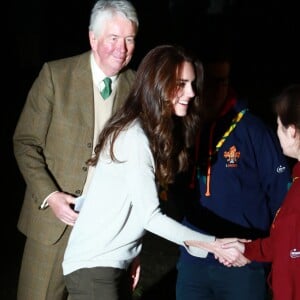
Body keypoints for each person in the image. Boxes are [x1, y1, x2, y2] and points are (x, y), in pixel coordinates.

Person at [62, 44, 249, 300]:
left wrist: (132, 252)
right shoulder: (135, 136)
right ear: (158, 84)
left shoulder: (145, 132)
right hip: (95, 267)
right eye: (182, 84)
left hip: (109, 264)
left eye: (192, 84)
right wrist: (215, 246)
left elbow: (123, 201)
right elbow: (150, 216)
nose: (192, 92)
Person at [13, 1, 140, 299]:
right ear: (93, 38)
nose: (121, 48)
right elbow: (25, 142)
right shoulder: (56, 76)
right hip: (53, 227)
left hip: (108, 235)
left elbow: (138, 170)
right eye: (113, 38)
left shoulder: (137, 88)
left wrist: (134, 247)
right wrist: (50, 196)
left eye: (129, 39)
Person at [174, 58, 291, 300]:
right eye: (209, 82)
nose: (217, 89)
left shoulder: (254, 131)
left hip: (242, 265)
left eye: (223, 81)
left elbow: (283, 201)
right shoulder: (185, 126)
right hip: (194, 260)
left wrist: (262, 252)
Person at [223, 84, 300, 300]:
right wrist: (248, 249)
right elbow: (283, 241)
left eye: (278, 126)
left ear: (292, 131)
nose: (276, 133)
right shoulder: (296, 181)